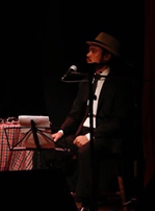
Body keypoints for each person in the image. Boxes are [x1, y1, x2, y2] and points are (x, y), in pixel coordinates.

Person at [50, 32, 135, 211]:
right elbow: (75, 114)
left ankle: (84, 203)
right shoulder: (86, 80)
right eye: (88, 50)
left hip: (106, 137)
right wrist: (61, 132)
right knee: (51, 148)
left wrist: (90, 137)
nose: (88, 54)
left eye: (93, 51)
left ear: (107, 56)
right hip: (84, 132)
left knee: (86, 151)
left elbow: (119, 122)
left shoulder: (119, 84)